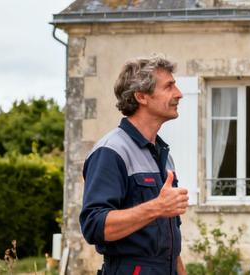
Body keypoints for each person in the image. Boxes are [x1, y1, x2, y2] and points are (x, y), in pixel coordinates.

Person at [80, 54, 188, 275]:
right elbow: (94, 225)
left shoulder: (163, 154)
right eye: (169, 87)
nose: (179, 94)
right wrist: (157, 207)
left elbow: (170, 243)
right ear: (141, 96)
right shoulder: (111, 151)